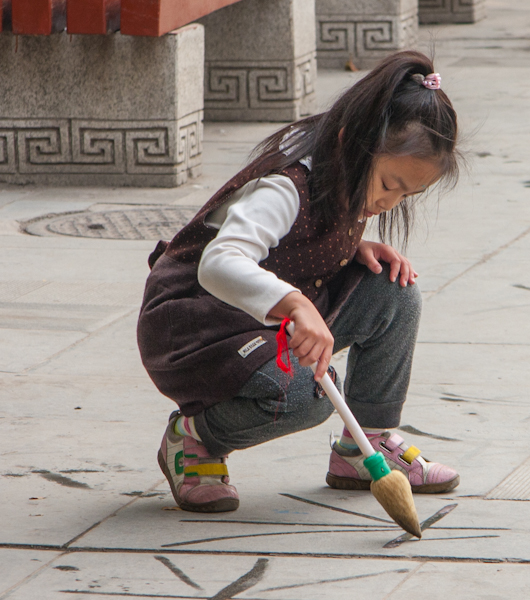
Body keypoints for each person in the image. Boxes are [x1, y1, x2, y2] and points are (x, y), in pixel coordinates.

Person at [136, 51, 461, 513]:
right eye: (389, 183)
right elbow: (220, 262)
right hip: (199, 325)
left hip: (267, 320)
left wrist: (353, 248)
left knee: (393, 290)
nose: (390, 202)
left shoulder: (345, 179)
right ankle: (193, 438)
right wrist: (296, 305)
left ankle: (363, 445)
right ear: (351, 143)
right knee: (303, 396)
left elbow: (297, 245)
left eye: (407, 194)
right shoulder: (285, 187)